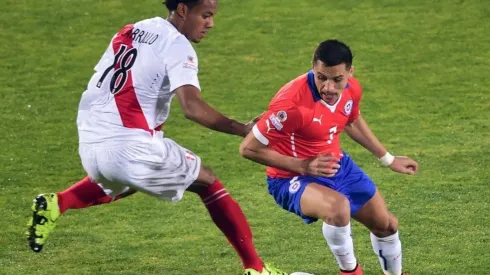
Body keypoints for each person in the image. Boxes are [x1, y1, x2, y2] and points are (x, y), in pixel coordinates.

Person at [26, 1, 288, 274]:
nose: (210, 23)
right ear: (184, 10)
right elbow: (192, 108)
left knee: (129, 179)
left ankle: (58, 202)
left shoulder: (133, 29)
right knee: (208, 181)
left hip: (91, 140)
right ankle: (256, 269)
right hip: (128, 144)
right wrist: (241, 128)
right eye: (206, 15)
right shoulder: (177, 45)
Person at [239, 39, 418, 275]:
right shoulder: (291, 105)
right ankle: (351, 272)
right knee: (338, 208)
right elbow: (248, 148)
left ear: (350, 73)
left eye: (337, 79)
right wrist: (303, 165)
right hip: (290, 177)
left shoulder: (352, 89)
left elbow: (351, 121)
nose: (328, 88)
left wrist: (388, 159)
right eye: (321, 77)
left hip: (336, 165)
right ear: (313, 68)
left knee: (387, 225)